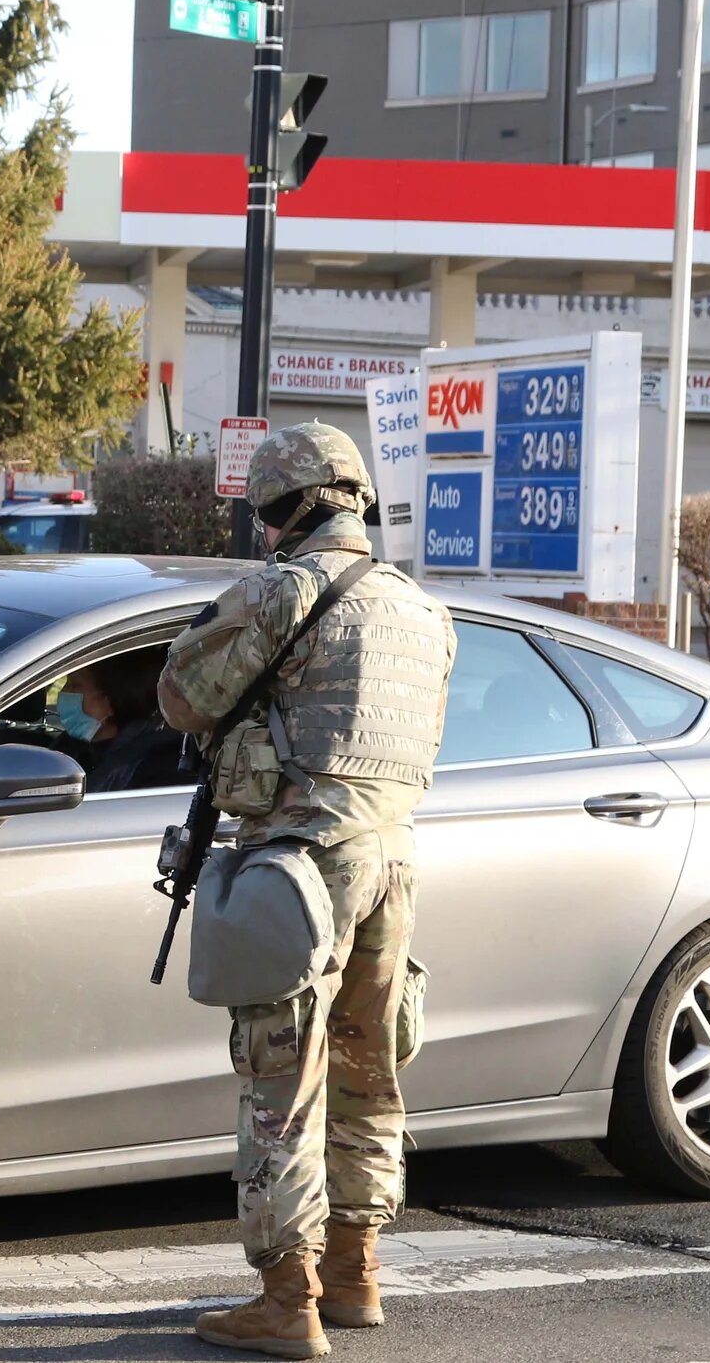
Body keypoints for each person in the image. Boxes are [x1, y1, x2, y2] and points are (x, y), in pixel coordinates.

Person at [157, 422, 456, 1357]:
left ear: (283, 507)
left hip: (302, 862)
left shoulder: (285, 590)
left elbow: (184, 695)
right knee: (372, 1070)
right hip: (393, 860)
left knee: (280, 1079)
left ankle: (287, 1300)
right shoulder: (420, 610)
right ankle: (356, 1271)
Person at [59, 648, 184, 795]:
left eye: (74, 686)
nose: (63, 692)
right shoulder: (69, 746)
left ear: (110, 700)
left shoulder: (151, 765)